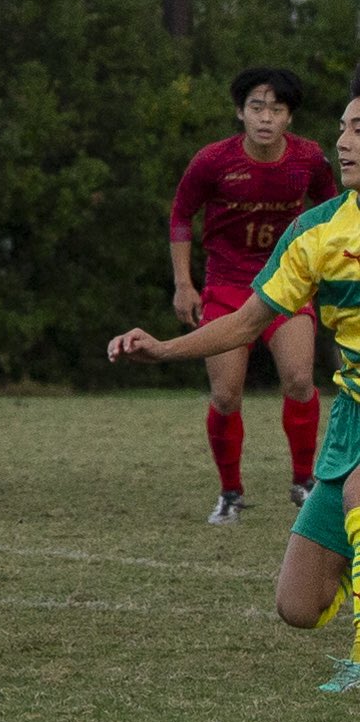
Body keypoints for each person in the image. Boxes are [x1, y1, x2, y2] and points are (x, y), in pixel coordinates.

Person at [113, 89, 360, 691]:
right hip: (351, 418)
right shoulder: (318, 231)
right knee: (298, 606)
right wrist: (164, 349)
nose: (344, 143)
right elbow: (249, 322)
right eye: (343, 128)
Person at [168, 66, 337, 523]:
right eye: (256, 107)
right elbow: (182, 214)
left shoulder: (309, 158)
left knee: (299, 379)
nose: (266, 118)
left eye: (276, 109)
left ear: (289, 117)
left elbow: (332, 210)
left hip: (287, 281)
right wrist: (184, 283)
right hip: (226, 285)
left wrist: (330, 267)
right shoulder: (213, 160)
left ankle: (304, 482)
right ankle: (230, 492)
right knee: (226, 395)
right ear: (240, 112)